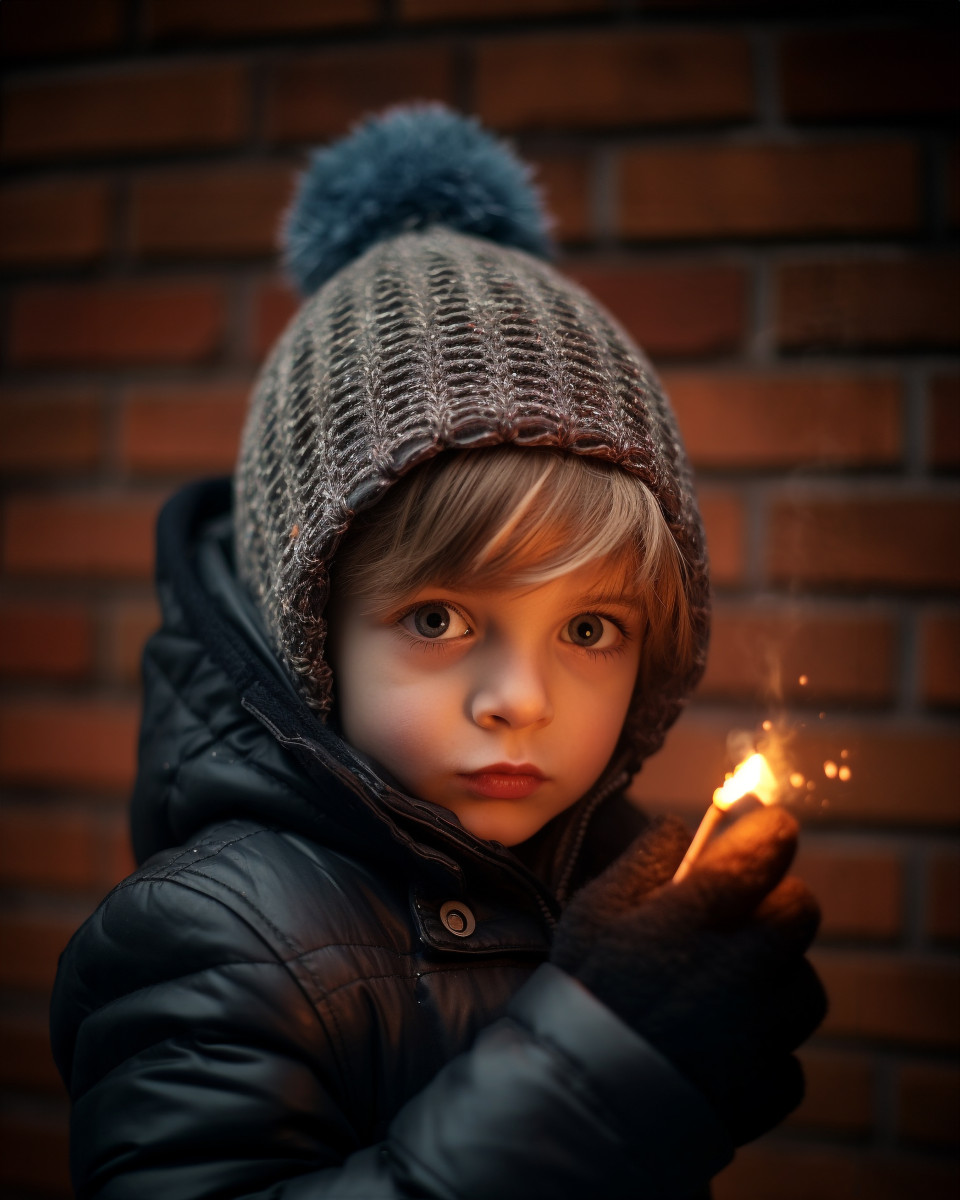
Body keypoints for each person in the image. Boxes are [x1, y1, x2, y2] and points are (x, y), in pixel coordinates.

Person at [50, 105, 825, 1199]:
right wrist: (601, 1076)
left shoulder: (605, 890)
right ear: (310, 630)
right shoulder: (210, 935)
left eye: (590, 629)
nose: (519, 700)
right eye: (438, 621)